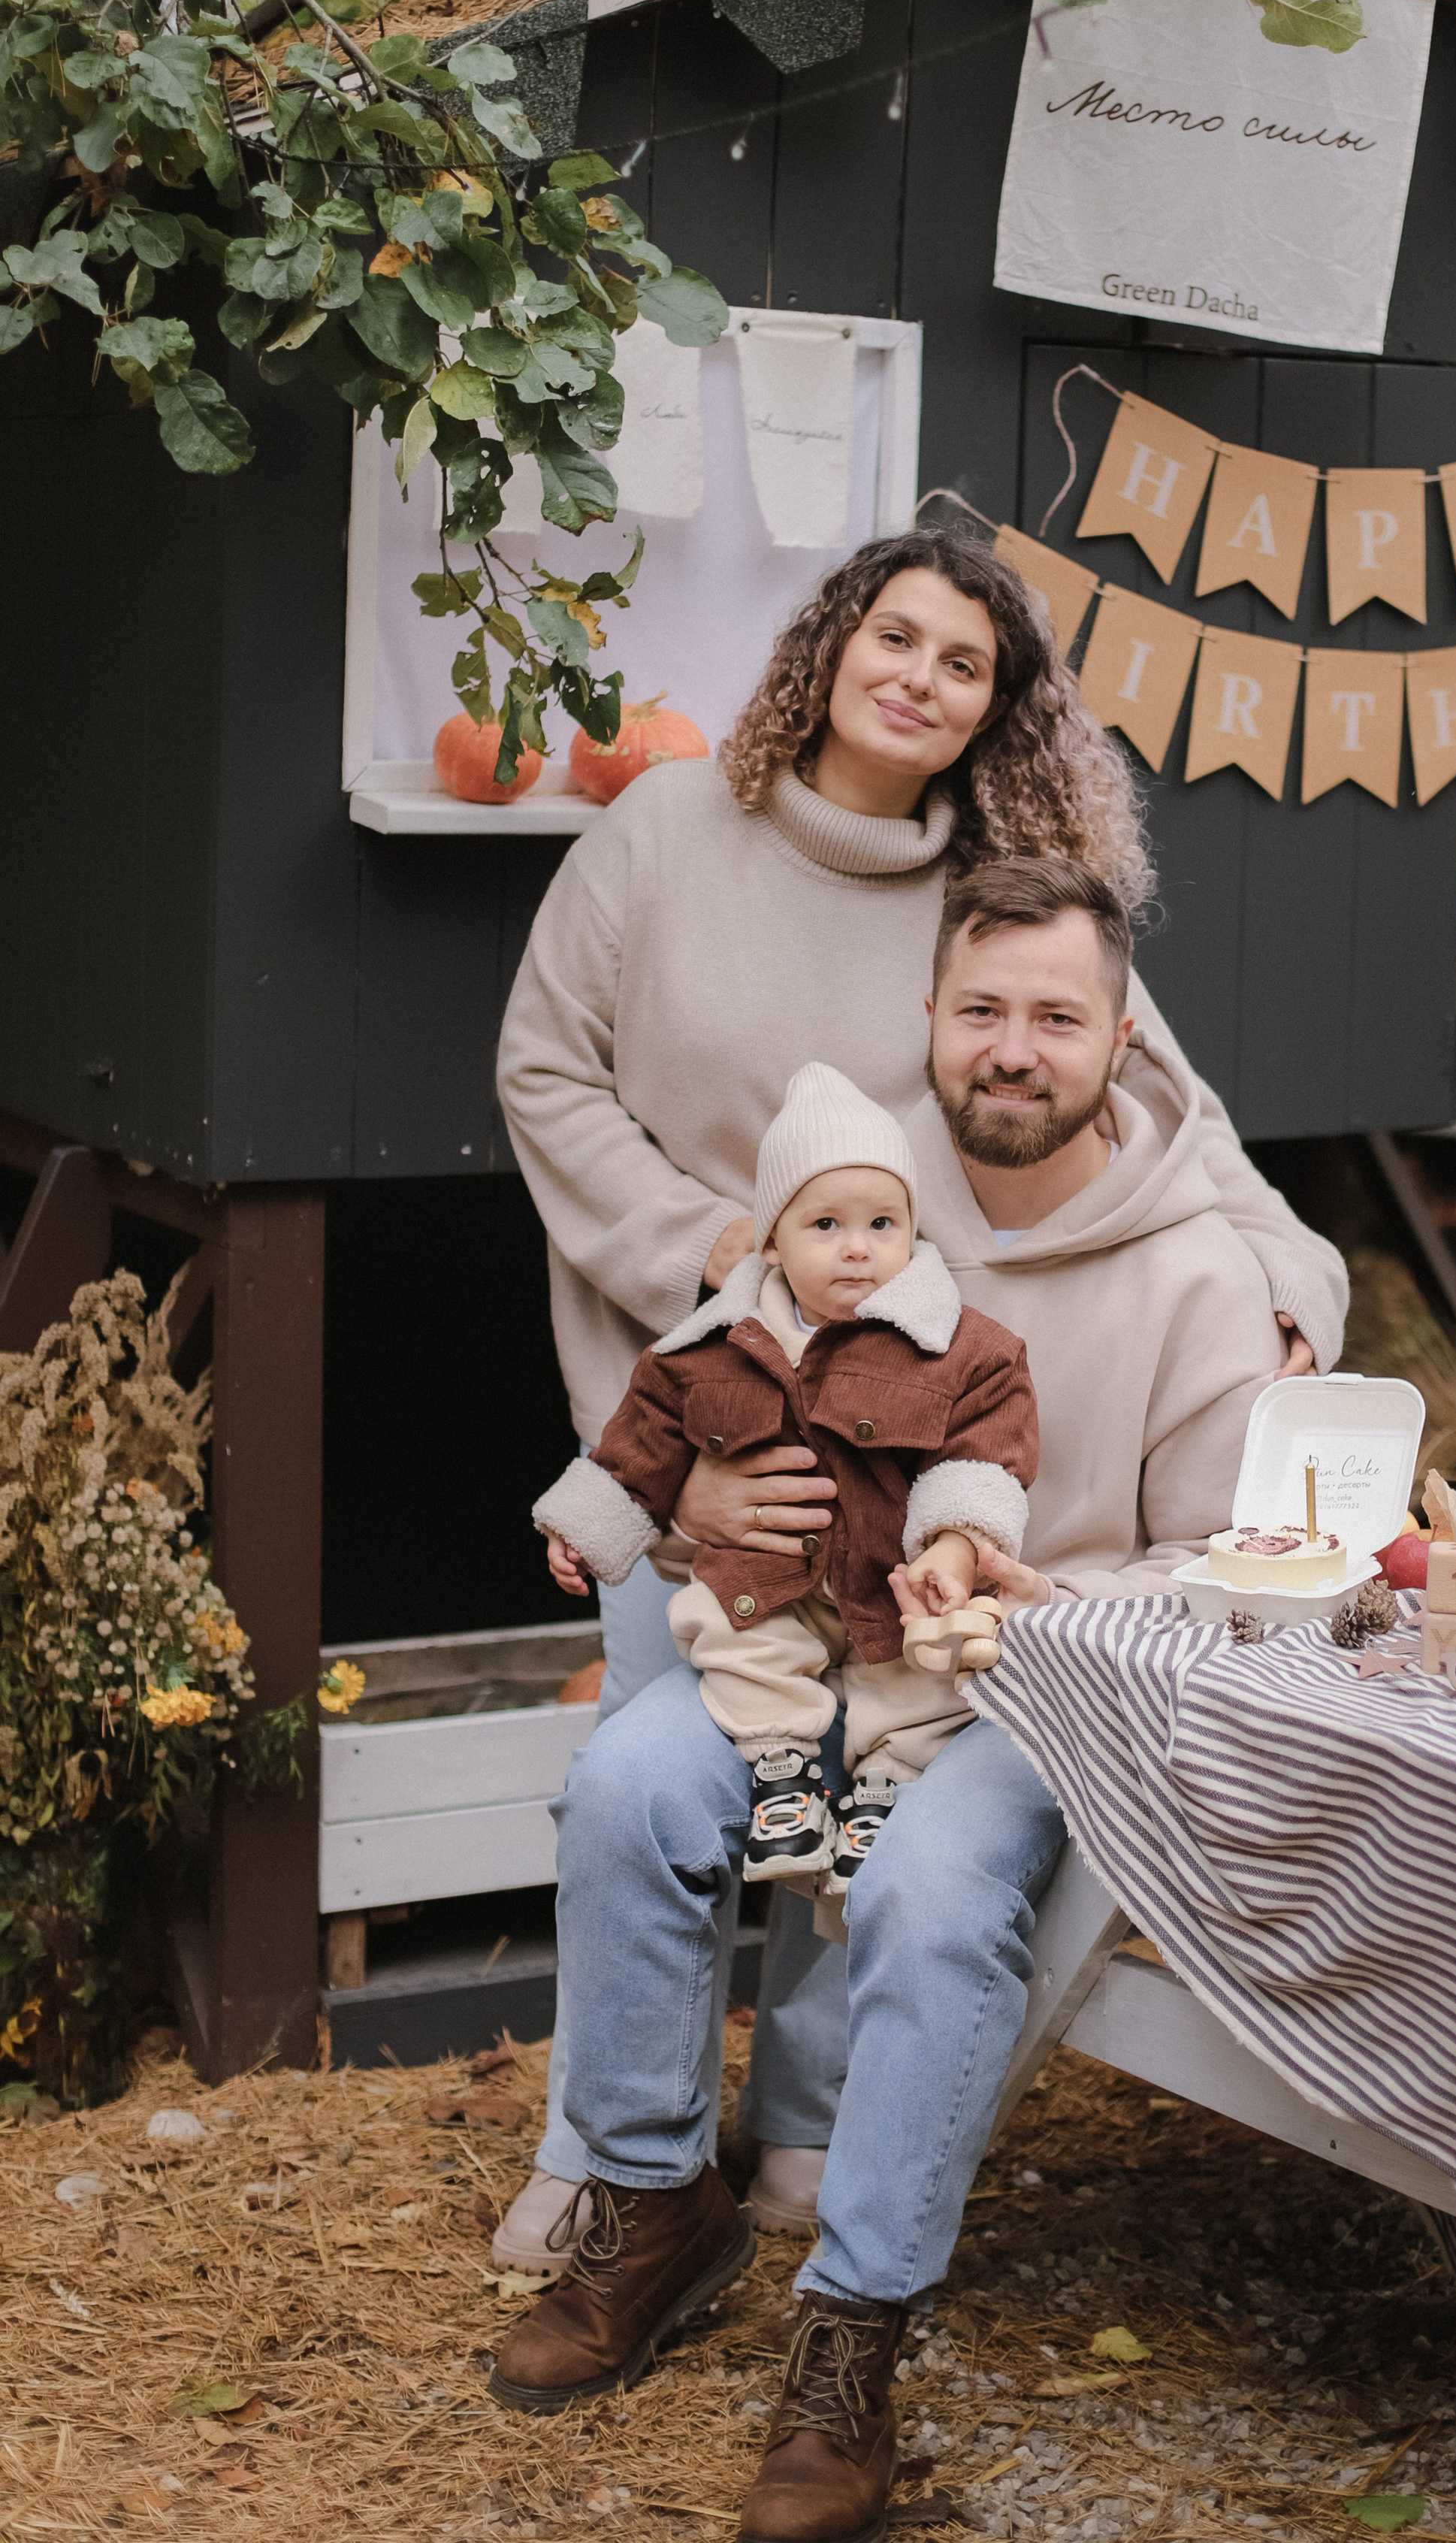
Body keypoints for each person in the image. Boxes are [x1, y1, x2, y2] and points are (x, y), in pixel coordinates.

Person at [494, 522, 1347, 2262]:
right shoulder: (663, 830)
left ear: (994, 712)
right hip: (701, 1410)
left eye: (965, 664)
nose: (919, 678)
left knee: (858, 1766)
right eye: (895, 637)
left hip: (888, 1428)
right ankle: (618, 2151)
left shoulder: (999, 889)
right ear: (828, 645)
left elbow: (1169, 1107)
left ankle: (805, 2125)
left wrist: (1298, 1289)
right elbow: (543, 1071)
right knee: (652, 1781)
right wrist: (714, 1246)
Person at [488, 860, 1288, 2543]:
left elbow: (1232, 1558)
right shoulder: (841, 1198)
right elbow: (692, 1389)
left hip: (1035, 1691)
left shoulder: (1200, 1273)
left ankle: (851, 2333)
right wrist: (698, 1506)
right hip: (808, 1645)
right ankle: (650, 2203)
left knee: (928, 1892)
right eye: (981, 1010)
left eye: (1055, 1018)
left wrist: (1043, 1600)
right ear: (929, 1021)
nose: (1013, 1049)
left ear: (1118, 1038)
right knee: (630, 1787)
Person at [531, 1062, 1037, 1892]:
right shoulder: (706, 1349)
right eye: (825, 1224)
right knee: (729, 1636)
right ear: (770, 1240)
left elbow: (982, 1453)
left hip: (888, 1580)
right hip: (772, 1583)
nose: (857, 1247)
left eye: (883, 1222)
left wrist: (953, 1549)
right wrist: (582, 1527)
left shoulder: (958, 1347)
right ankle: (782, 1776)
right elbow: (641, 1445)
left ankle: (886, 1787)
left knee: (918, 1670)